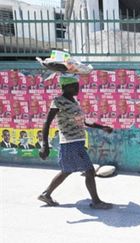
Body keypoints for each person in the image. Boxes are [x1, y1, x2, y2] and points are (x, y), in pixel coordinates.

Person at [38, 75, 113, 209]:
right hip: (69, 142)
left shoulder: (74, 102)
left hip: (76, 142)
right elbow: (47, 123)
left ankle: (46, 194)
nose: (78, 88)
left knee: (66, 171)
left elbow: (83, 122)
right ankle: (96, 202)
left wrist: (103, 127)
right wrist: (45, 145)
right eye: (75, 85)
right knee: (89, 171)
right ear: (66, 87)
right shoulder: (58, 101)